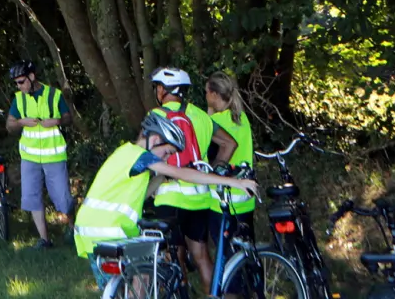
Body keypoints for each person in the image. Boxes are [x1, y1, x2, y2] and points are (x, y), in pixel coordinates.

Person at [74, 110, 259, 291]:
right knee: (145, 266)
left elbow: (142, 194)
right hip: (112, 231)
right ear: (155, 140)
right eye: (167, 152)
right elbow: (181, 173)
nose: (167, 159)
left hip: (89, 231)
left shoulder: (125, 154)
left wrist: (163, 176)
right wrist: (235, 182)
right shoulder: (139, 156)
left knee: (125, 285)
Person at [149, 67, 236, 292]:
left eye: (157, 87)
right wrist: (212, 173)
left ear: (162, 90)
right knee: (202, 255)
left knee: (174, 257)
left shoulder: (157, 116)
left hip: (170, 196)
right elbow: (229, 144)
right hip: (199, 196)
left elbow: (144, 154)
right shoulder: (200, 115)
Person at [6, 59, 73, 249]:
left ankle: (73, 228)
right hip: (30, 158)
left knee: (63, 197)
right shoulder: (19, 99)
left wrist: (57, 121)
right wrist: (21, 122)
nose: (19, 86)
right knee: (32, 197)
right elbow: (9, 125)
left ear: (32, 77)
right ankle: (44, 240)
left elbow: (68, 118)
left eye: (21, 82)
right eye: (16, 83)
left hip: (54, 156)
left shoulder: (53, 95)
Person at [204, 72, 256, 225]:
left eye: (206, 92)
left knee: (221, 240)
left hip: (222, 196)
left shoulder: (215, 122)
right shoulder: (241, 118)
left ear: (214, 94)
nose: (205, 96)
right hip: (245, 194)